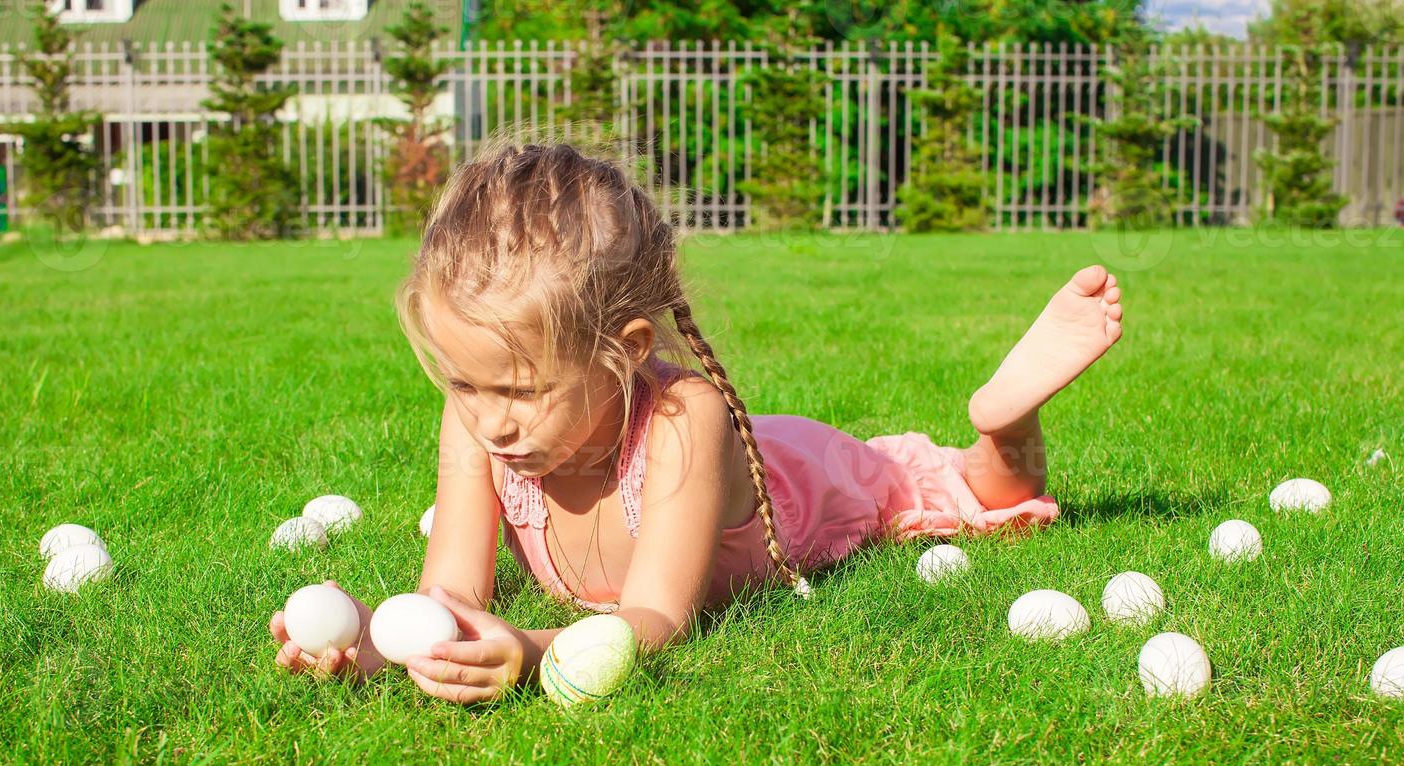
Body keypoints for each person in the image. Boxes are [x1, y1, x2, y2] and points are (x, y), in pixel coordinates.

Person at [268, 135, 1124, 704]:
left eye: (523, 392)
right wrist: (379, 642)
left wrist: (529, 651)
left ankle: (1003, 423)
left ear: (627, 350)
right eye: (465, 385)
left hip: (796, 479)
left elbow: (656, 619)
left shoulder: (685, 418)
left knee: (965, 491)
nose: (491, 422)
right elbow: (450, 593)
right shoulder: (476, 425)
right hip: (729, 470)